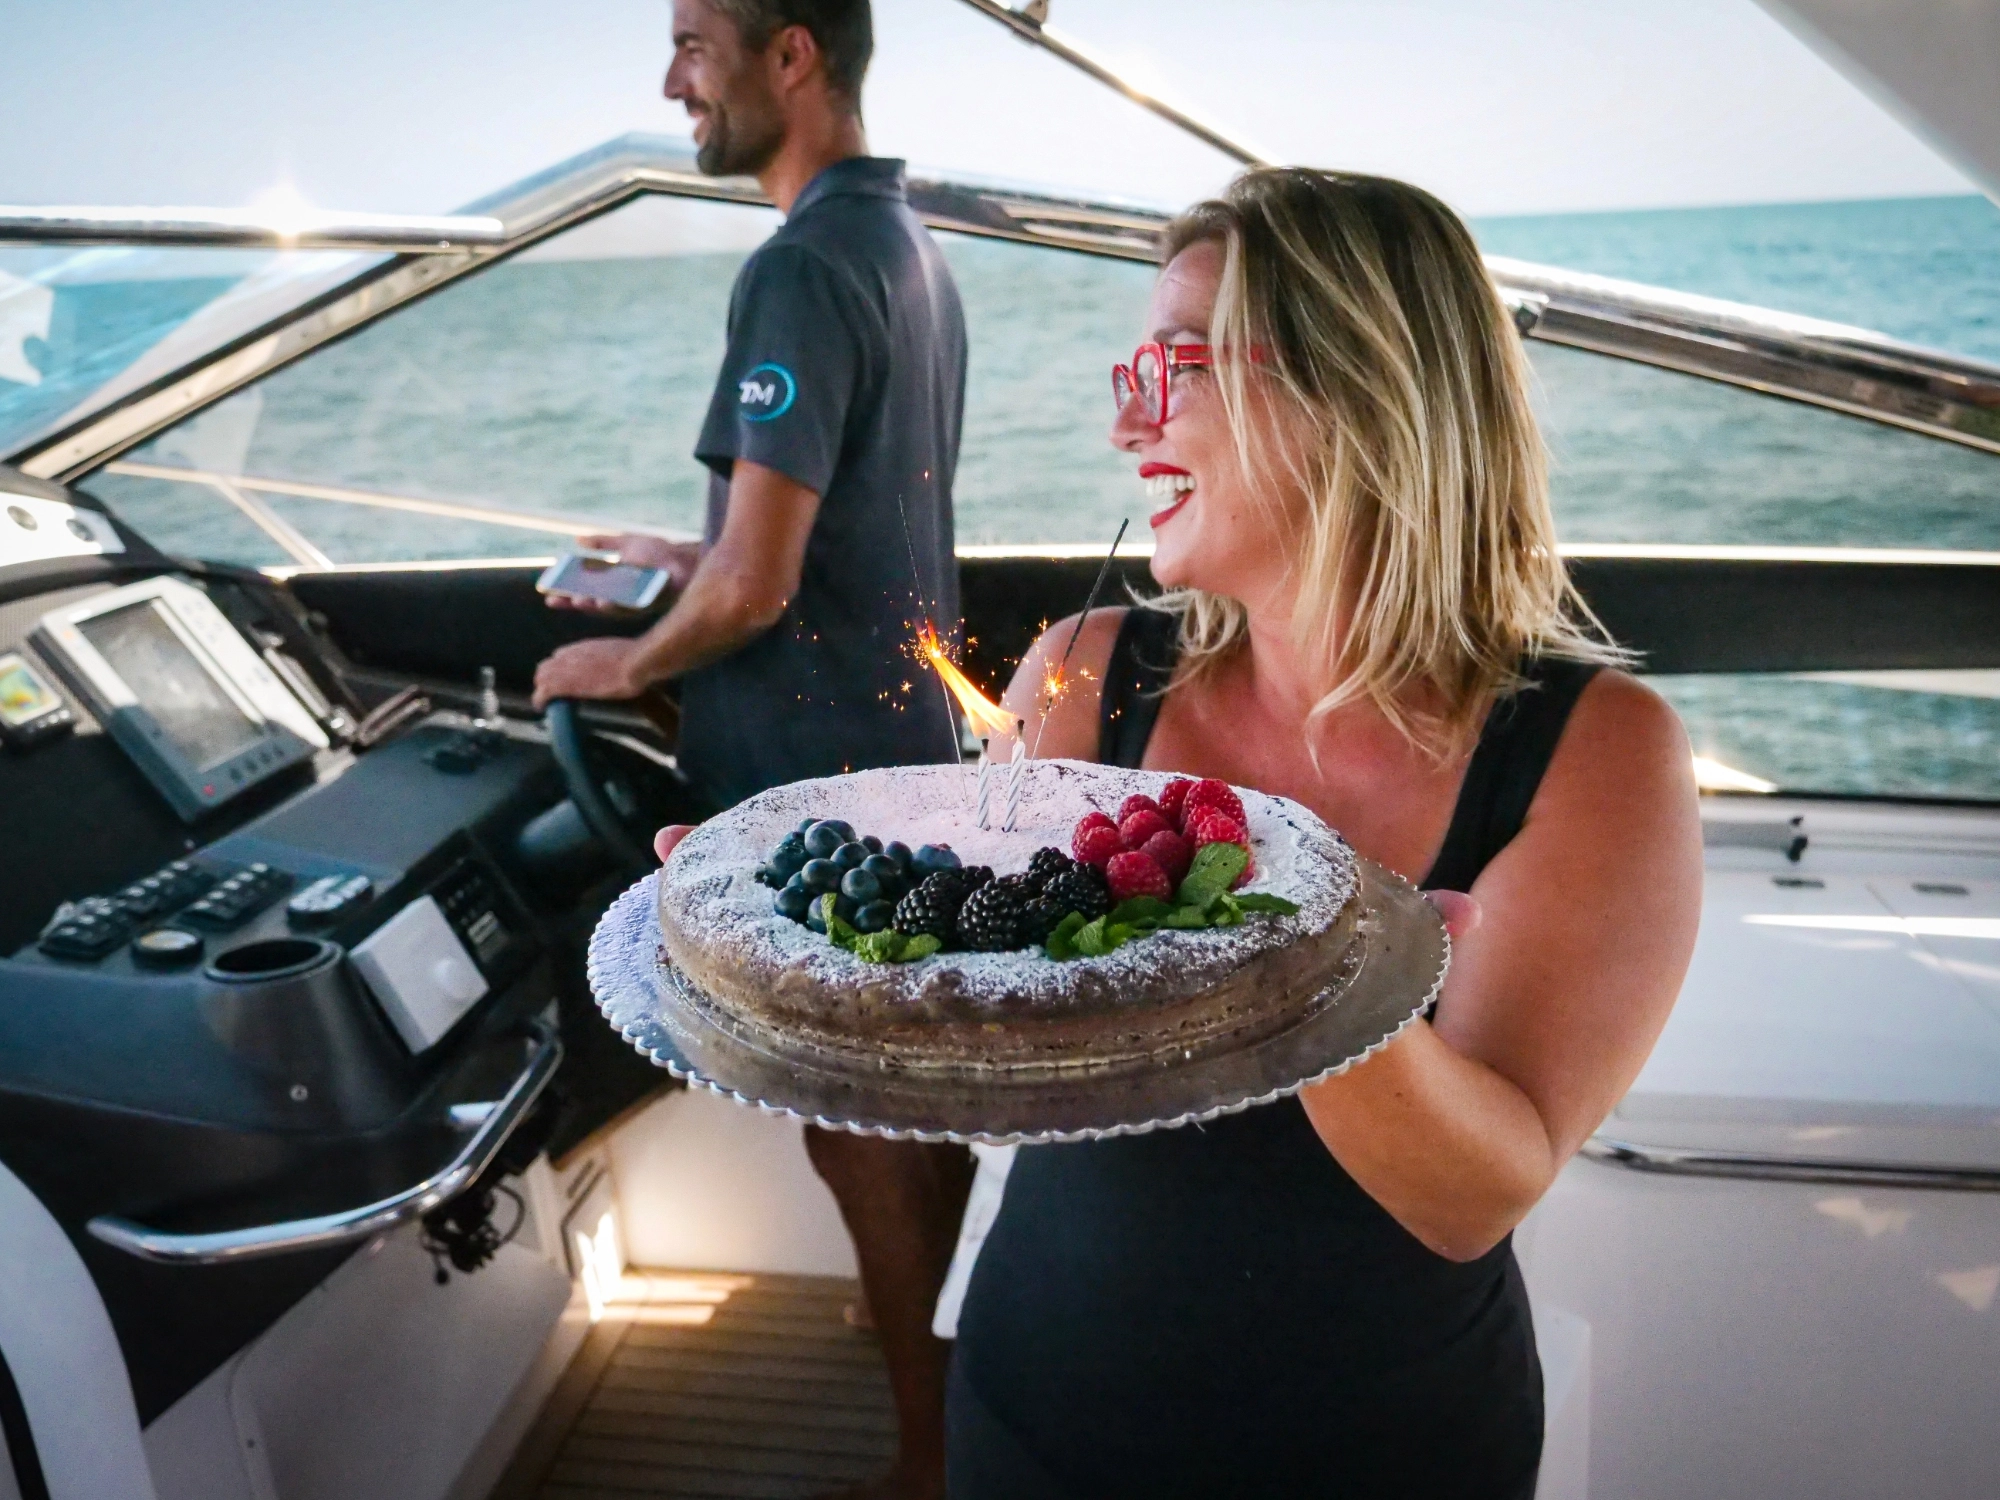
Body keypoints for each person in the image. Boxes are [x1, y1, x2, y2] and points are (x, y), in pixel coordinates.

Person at [938, 169, 1706, 1496]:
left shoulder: (1599, 753)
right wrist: (810, 944)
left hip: (1384, 1446)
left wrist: (1285, 954)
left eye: (1175, 366)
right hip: (1037, 1408)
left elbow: (1470, 1198)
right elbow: (982, 1042)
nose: (1129, 422)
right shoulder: (1080, 675)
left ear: (1357, 382)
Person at [531, 3, 972, 1496]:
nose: (671, 80)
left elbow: (758, 587)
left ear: (793, 57)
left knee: (860, 1136)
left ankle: (927, 1457)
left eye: (696, 41)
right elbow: (823, 520)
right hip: (902, 757)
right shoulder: (906, 248)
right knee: (907, 1122)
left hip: (819, 793)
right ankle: (924, 1337)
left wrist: (622, 656)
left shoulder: (797, 266)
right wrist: (683, 546)